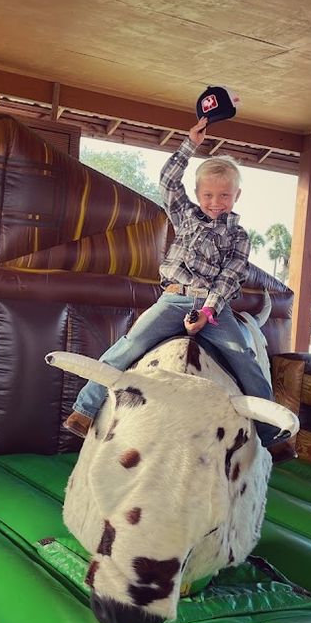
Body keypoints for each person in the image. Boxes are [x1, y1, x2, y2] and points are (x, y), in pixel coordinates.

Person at [64, 115, 280, 444]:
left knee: (244, 359)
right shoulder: (186, 215)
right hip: (174, 298)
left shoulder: (239, 236)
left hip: (214, 308)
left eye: (224, 196)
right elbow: (167, 180)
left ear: (237, 195)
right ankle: (86, 408)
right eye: (208, 195)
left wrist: (207, 312)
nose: (216, 203)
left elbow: (229, 276)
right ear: (197, 193)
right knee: (131, 343)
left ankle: (270, 433)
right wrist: (190, 144)